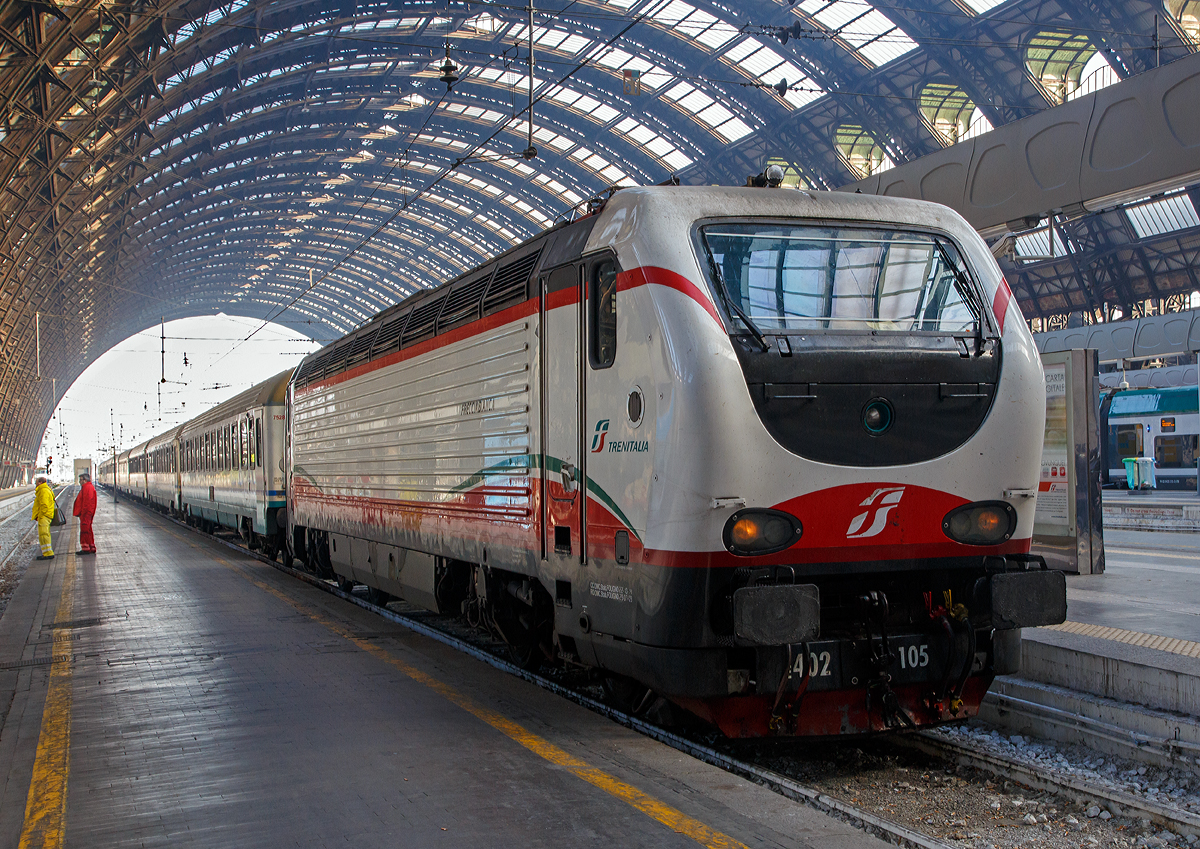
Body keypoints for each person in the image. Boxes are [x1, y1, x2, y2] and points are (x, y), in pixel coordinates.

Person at [31, 475, 56, 560]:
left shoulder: (43, 491)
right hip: (45, 515)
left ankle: (48, 553)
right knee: (44, 534)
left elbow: (44, 505)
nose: (35, 484)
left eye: (36, 482)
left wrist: (41, 515)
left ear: (40, 482)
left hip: (44, 516)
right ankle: (46, 552)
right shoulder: (44, 489)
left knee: (44, 534)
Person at [74, 471, 98, 555]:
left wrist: (84, 514)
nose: (79, 482)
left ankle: (85, 548)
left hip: (86, 513)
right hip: (86, 513)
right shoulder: (87, 487)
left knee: (84, 530)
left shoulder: (87, 488)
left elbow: (86, 503)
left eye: (80, 480)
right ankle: (91, 546)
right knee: (88, 530)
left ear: (84, 480)